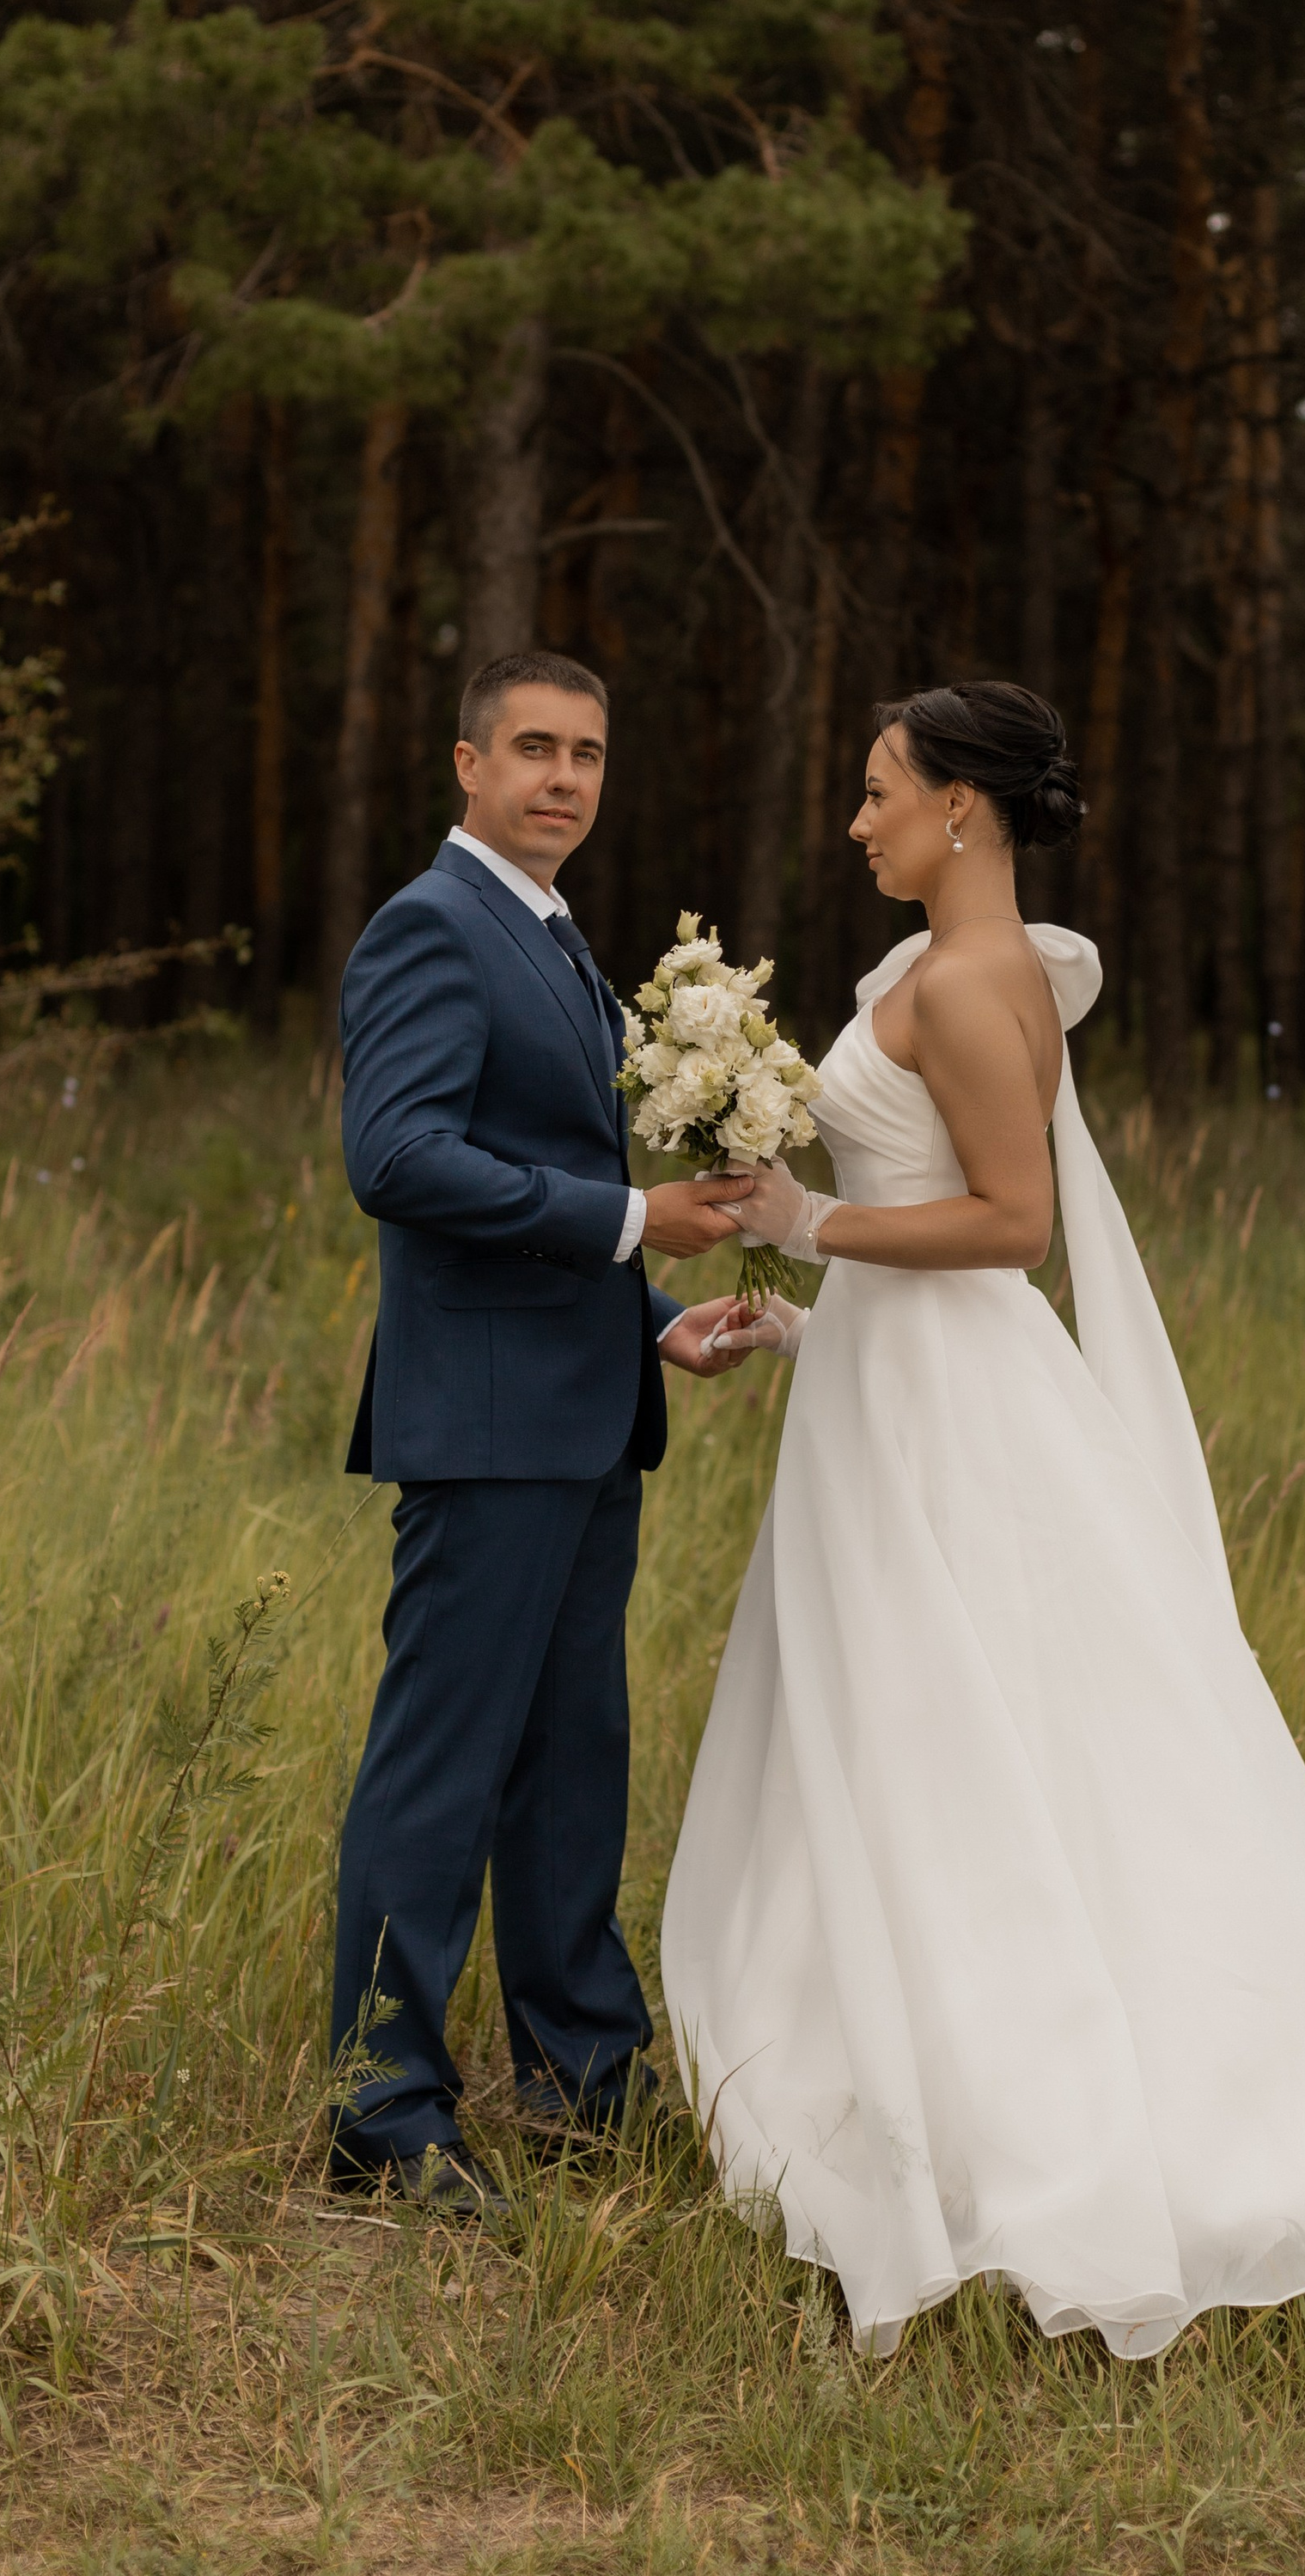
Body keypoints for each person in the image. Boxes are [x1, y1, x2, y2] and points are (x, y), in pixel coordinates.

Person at [663, 679, 1305, 2358]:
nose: (856, 822)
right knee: (923, 1747)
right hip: (895, 1402)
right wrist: (789, 1317)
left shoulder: (977, 983)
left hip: (954, 1422)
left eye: (877, 794)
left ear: (961, 813)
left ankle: (1042, 2110)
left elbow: (1008, 1229)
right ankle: (901, 2069)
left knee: (987, 1751)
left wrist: (806, 1222)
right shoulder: (935, 976)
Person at [328, 649, 756, 2215]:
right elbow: (400, 1160)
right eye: (531, 748)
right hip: (487, 1427)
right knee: (441, 1769)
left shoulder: (558, 937)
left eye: (585, 752)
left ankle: (586, 2079)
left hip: (584, 1410)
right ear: (466, 763)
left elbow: (536, 1178)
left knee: (572, 1765)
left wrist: (653, 1314)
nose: (562, 777)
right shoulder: (432, 929)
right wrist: (636, 1214)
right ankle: (379, 2109)